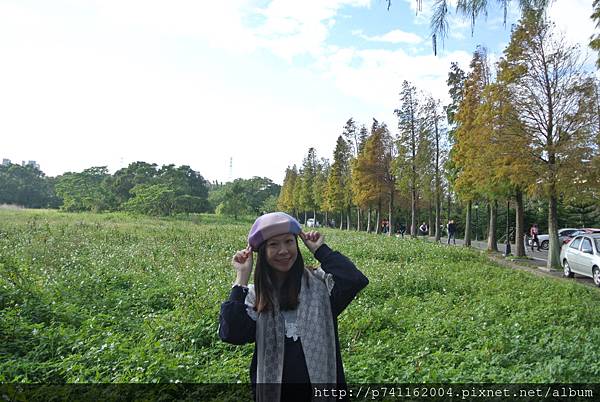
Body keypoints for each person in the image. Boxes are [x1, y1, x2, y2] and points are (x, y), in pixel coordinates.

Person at [219, 212, 369, 402]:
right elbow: (231, 333)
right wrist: (241, 277)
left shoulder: (320, 285)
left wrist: (320, 250)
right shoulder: (255, 296)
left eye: (289, 241)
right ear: (263, 252)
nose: (284, 250)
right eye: (274, 244)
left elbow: (354, 279)